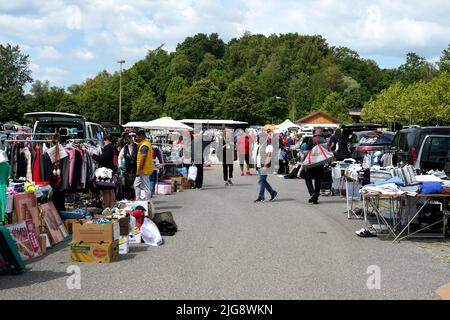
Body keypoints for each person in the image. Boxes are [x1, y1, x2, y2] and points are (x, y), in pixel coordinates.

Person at [89, 135, 117, 208]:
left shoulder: (108, 148)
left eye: (104, 140)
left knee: (106, 191)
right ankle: (111, 208)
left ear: (106, 139)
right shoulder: (112, 147)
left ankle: (107, 208)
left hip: (106, 172)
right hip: (110, 171)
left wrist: (93, 155)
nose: (103, 142)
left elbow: (103, 159)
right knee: (110, 190)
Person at [304, 127, 326, 205]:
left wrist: (304, 162)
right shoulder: (325, 140)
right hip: (321, 163)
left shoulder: (312, 139)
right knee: (318, 180)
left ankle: (312, 193)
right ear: (321, 132)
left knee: (307, 178)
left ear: (315, 132)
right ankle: (315, 197)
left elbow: (307, 151)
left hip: (312, 162)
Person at [254, 133, 278, 203]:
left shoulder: (269, 146)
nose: (260, 138)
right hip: (259, 166)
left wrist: (265, 166)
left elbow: (269, 157)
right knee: (262, 181)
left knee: (262, 181)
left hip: (264, 166)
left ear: (265, 138)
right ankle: (273, 193)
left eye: (262, 137)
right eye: (259, 137)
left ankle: (261, 197)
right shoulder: (260, 145)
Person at [134, 130, 153, 200]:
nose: (136, 138)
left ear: (141, 136)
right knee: (136, 185)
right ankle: (138, 200)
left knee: (146, 187)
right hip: (143, 169)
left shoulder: (144, 145)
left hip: (143, 170)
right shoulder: (144, 144)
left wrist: (139, 170)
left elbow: (142, 158)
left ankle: (148, 203)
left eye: (137, 137)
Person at [118, 133, 138, 200]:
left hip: (136, 169)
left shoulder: (137, 146)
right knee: (127, 186)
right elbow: (119, 157)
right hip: (127, 169)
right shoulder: (125, 148)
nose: (126, 142)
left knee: (135, 186)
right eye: (125, 140)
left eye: (127, 139)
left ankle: (134, 198)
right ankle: (127, 199)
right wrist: (120, 165)